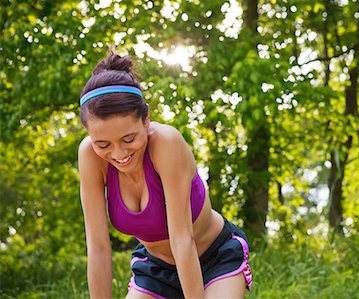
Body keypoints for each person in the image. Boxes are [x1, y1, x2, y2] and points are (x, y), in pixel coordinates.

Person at [78, 52, 252, 299]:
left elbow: (182, 239)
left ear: (146, 118)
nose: (119, 154)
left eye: (129, 139)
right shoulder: (89, 155)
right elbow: (98, 248)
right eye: (103, 144)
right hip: (155, 269)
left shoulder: (166, 143)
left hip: (215, 257)